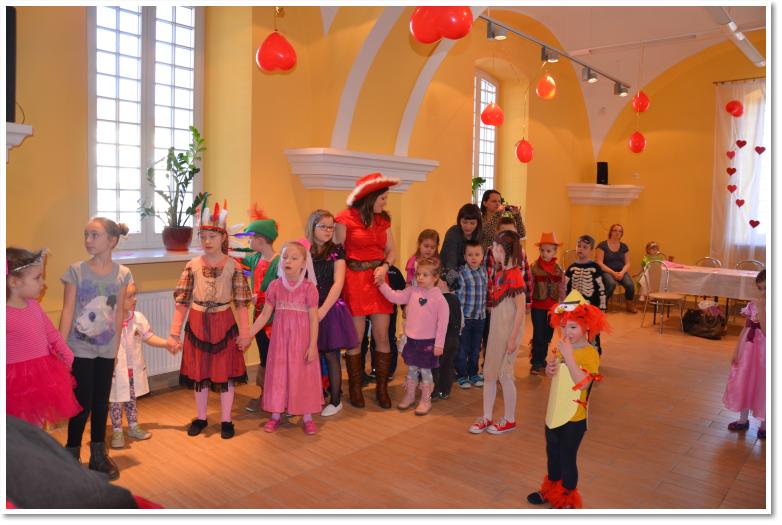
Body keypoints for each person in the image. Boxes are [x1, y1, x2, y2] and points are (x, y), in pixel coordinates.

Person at [168, 200, 252, 441]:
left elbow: (241, 303)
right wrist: (174, 333)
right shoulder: (192, 265)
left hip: (224, 323)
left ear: (223, 237)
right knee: (200, 372)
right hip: (197, 323)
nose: (207, 241)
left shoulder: (234, 267)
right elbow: (182, 301)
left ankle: (226, 420)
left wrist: (245, 333)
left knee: (225, 372)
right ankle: (201, 417)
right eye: (203, 236)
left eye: (212, 237)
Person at [60, 217, 133, 479]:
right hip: (80, 349)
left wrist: (115, 350)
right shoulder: (76, 271)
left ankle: (98, 454)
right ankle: (70, 453)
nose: (88, 240)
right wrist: (61, 349)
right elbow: (68, 310)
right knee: (82, 403)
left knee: (102, 402)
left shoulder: (123, 274)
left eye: (94, 235)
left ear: (112, 241)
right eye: (86, 235)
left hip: (106, 350)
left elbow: (119, 313)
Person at [527, 289, 610, 509]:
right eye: (563, 326)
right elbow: (555, 375)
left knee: (567, 456)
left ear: (587, 327)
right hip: (555, 411)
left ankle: (566, 498)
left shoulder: (590, 353)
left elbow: (583, 383)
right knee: (552, 453)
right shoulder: (562, 347)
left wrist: (569, 357)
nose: (567, 331)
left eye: (573, 327)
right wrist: (550, 369)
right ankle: (551, 489)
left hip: (574, 417)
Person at [243, 240, 322, 435]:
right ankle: (276, 415)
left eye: (294, 258)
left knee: (303, 375)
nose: (288, 261)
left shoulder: (309, 288)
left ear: (303, 263)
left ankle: (307, 417)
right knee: (278, 375)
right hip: (280, 342)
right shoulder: (275, 287)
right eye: (285, 257)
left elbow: (314, 320)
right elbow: (264, 315)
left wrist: (313, 345)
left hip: (302, 343)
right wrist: (248, 334)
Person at [334, 172, 399, 409]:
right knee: (356, 338)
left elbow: (392, 250)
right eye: (382, 198)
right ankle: (355, 387)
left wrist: (385, 266)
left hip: (379, 280)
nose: (385, 202)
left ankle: (382, 388)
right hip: (354, 281)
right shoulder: (344, 218)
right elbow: (337, 252)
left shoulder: (383, 220)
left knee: (382, 336)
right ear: (369, 197)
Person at [6, 248, 81, 428]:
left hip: (40, 377)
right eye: (37, 278)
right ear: (14, 282)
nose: (43, 283)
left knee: (37, 427)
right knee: (17, 429)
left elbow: (51, 334)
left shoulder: (34, 306)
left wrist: (68, 356)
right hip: (14, 383)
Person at [469, 230, 526, 435]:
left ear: (503, 250)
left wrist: (513, 338)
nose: (492, 250)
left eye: (495, 247)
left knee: (505, 374)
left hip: (509, 332)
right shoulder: (500, 273)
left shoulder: (515, 275)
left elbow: (520, 309)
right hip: (497, 330)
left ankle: (510, 419)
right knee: (490, 373)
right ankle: (486, 416)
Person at [378, 257, 449, 416]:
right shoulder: (412, 291)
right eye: (418, 274)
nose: (420, 277)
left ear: (435, 277)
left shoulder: (439, 299)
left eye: (425, 275)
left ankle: (426, 400)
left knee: (425, 371)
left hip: (428, 343)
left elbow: (443, 324)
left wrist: (439, 344)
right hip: (412, 341)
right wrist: (382, 284)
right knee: (411, 369)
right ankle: (410, 395)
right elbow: (395, 297)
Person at [306, 209, 359, 417]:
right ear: (312, 227)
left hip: (330, 308)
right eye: (324, 227)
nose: (328, 231)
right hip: (310, 308)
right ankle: (315, 394)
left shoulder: (337, 251)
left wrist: (321, 311)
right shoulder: (306, 251)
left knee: (330, 355)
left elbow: (338, 283)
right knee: (312, 354)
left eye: (331, 227)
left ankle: (336, 400)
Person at [109, 283, 173, 449]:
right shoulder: (109, 321)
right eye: (130, 296)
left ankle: (133, 426)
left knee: (131, 399)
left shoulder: (138, 318)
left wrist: (166, 344)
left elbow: (148, 337)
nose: (135, 299)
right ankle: (117, 431)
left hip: (133, 369)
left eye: (134, 295)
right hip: (117, 371)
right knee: (116, 401)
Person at [239, 206, 280, 413]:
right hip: (259, 318)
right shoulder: (254, 259)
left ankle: (280, 396)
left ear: (261, 240)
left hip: (277, 319)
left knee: (278, 358)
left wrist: (260, 297)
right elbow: (237, 263)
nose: (248, 243)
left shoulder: (281, 262)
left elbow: (284, 291)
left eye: (250, 239)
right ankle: (265, 394)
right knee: (265, 356)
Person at [723, 269, 766, 440]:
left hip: (765, 354)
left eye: (767, 288)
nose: (763, 292)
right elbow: (746, 327)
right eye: (760, 288)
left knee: (763, 384)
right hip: (749, 350)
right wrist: (737, 350)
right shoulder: (753, 304)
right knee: (745, 380)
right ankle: (743, 420)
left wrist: (762, 308)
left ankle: (765, 424)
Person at [360, 263, 406, 383]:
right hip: (368, 309)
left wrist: (404, 307)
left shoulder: (394, 271)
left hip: (389, 310)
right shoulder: (369, 269)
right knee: (368, 340)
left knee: (388, 339)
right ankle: (373, 369)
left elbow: (402, 290)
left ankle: (388, 370)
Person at [529, 232, 567, 375]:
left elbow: (562, 288)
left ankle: (542, 358)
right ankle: (535, 362)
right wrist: (527, 303)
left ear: (554, 252)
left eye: (548, 251)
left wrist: (563, 304)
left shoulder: (558, 269)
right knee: (538, 333)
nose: (545, 253)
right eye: (542, 250)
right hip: (537, 307)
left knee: (548, 334)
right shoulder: (534, 267)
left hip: (553, 309)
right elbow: (530, 286)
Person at [564, 235, 607, 355]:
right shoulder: (571, 268)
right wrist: (564, 305)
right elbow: (565, 287)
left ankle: (594, 355)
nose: (581, 249)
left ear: (591, 250)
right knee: (574, 331)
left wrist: (602, 306)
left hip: (591, 308)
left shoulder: (595, 268)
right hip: (575, 308)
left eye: (585, 247)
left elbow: (601, 288)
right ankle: (575, 356)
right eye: (579, 246)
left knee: (593, 333)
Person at [454, 239, 487, 389]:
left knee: (476, 348)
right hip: (465, 319)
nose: (474, 258)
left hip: (480, 318)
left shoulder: (484, 272)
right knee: (462, 348)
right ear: (465, 256)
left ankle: (473, 373)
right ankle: (462, 375)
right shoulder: (461, 273)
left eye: (477, 254)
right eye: (470, 255)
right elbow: (457, 297)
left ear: (482, 256)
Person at [432, 270, 462, 402]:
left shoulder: (439, 299)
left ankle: (434, 391)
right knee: (448, 365)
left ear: (444, 283)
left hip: (442, 339)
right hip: (454, 339)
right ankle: (445, 391)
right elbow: (461, 320)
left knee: (436, 366)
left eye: (438, 280)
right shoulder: (455, 299)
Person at [596, 224, 637, 313]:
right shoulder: (602, 245)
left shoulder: (624, 246)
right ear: (611, 232)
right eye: (615, 230)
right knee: (611, 284)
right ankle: (603, 304)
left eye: (620, 231)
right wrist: (613, 273)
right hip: (606, 271)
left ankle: (629, 306)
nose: (617, 233)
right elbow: (599, 263)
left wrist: (622, 272)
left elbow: (628, 263)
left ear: (622, 234)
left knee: (630, 285)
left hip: (621, 271)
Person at [440, 203, 483, 285]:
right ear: (459, 221)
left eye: (472, 223)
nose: (468, 227)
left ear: (478, 223)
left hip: (465, 274)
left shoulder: (478, 234)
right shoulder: (453, 233)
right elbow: (451, 263)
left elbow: (478, 259)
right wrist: (454, 284)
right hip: (446, 272)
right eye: (464, 222)